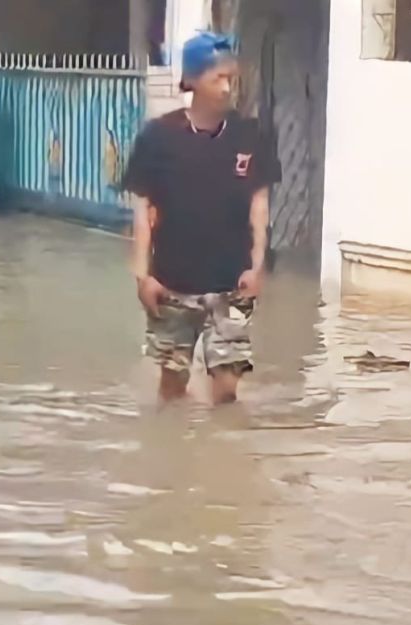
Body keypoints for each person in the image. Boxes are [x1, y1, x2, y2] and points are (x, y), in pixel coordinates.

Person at [123, 32, 281, 405]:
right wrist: (143, 276)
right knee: (173, 388)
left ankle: (222, 457)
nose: (227, 88)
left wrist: (257, 266)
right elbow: (143, 213)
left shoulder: (250, 136)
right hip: (172, 284)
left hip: (231, 283)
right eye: (218, 79)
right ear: (191, 81)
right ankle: (173, 455)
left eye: (232, 78)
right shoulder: (158, 138)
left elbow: (260, 206)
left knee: (227, 390)